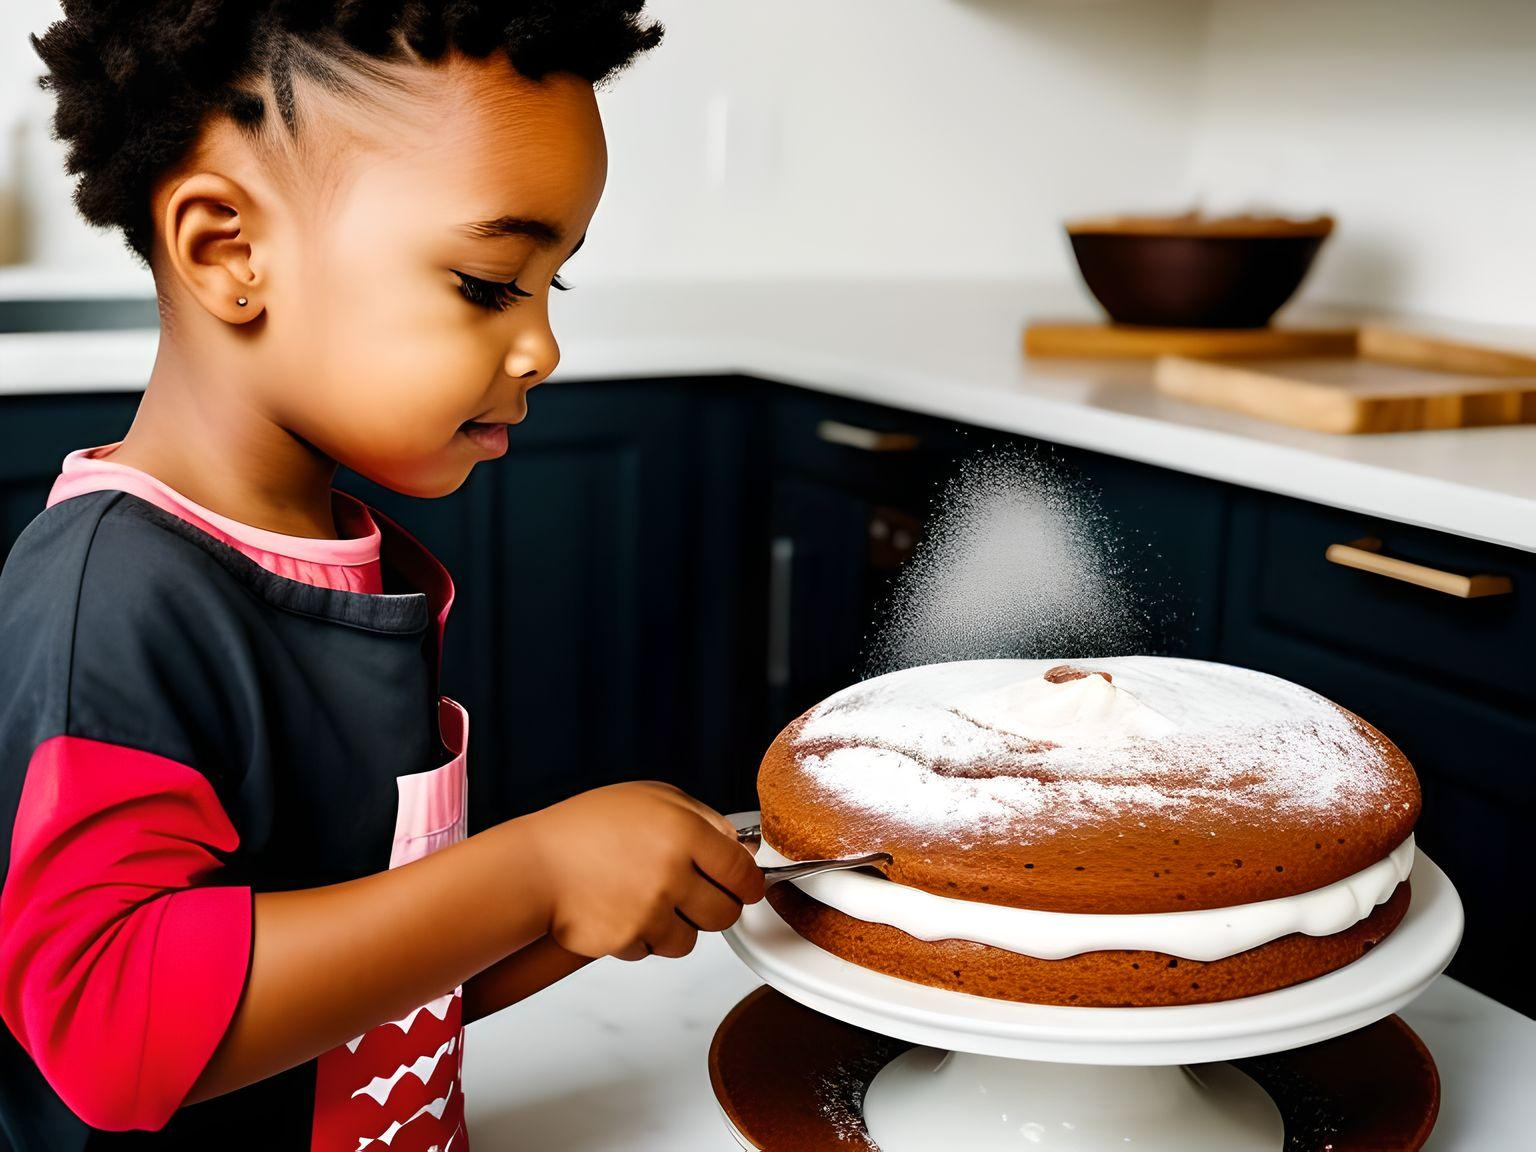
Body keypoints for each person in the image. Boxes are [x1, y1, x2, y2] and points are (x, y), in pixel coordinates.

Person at [0, 4, 763, 1148]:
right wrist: (535, 873)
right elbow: (107, 1030)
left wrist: (584, 910)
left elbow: (370, 986)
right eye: (491, 281)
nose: (544, 345)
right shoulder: (113, 596)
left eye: (557, 284)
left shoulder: (344, 560)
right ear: (229, 249)